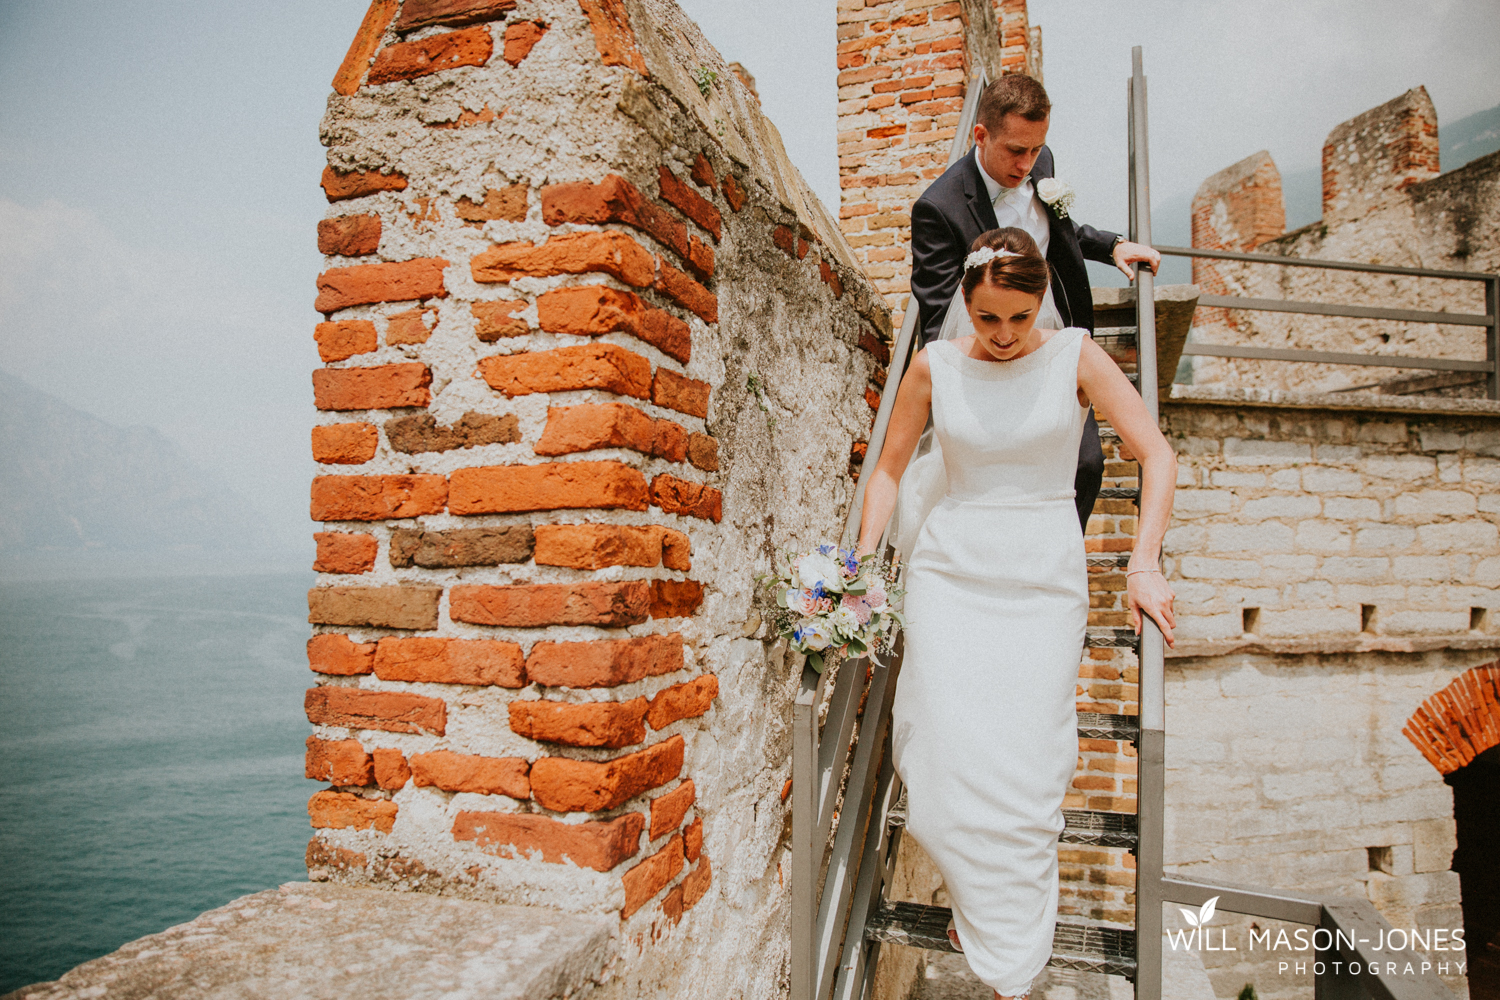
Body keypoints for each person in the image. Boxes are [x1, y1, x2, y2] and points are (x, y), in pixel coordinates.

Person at [856, 228, 1177, 1000]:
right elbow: (888, 472)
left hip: (1043, 576)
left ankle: (1010, 958)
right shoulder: (933, 368)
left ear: (1042, 304)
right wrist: (861, 565)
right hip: (952, 573)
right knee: (939, 770)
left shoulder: (1074, 357)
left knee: (1029, 768)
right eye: (989, 318)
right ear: (966, 304)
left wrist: (1143, 560)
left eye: (1020, 317)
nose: (1004, 337)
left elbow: (1157, 455)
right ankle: (974, 898)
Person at [909, 73, 1161, 533]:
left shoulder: (1039, 163)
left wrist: (1111, 246)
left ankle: (1056, 554)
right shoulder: (937, 208)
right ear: (981, 135)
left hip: (1054, 340)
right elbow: (937, 308)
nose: (1027, 163)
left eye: (1036, 149)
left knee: (1086, 465)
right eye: (1016, 151)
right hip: (990, 349)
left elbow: (1056, 230)